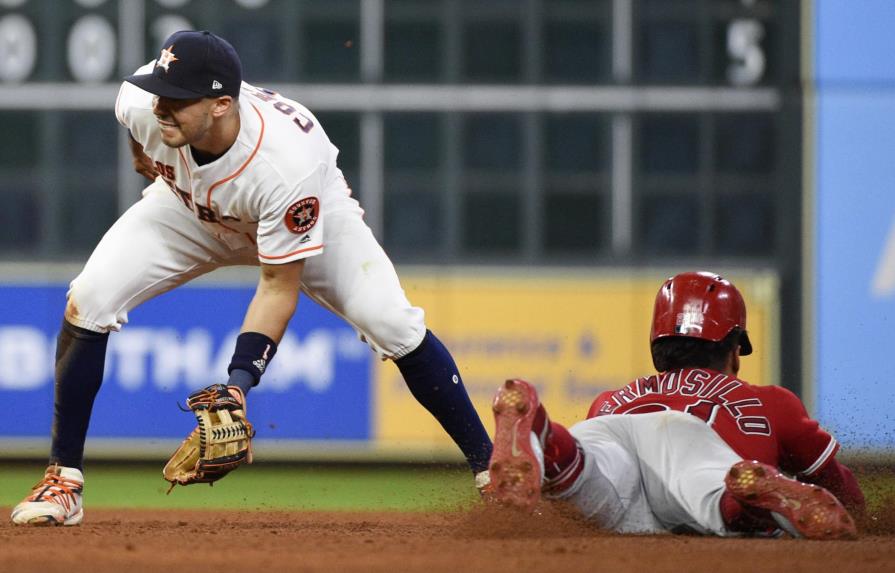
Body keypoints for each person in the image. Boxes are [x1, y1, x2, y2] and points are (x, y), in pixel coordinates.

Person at [10, 30, 492, 526]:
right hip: (187, 213)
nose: (161, 106)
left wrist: (239, 384)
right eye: (159, 90)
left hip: (302, 213)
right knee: (87, 298)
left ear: (221, 104)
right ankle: (63, 481)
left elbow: (278, 287)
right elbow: (138, 123)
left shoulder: (285, 167)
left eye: (177, 98)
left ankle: (490, 469)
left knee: (393, 323)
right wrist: (142, 158)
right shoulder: (141, 104)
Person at [486, 271, 864, 539]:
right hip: (688, 442)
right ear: (734, 349)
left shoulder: (611, 398)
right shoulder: (771, 402)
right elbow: (839, 488)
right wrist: (853, 512)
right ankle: (747, 498)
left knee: (588, 483)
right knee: (712, 496)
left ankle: (549, 440)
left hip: (609, 427)